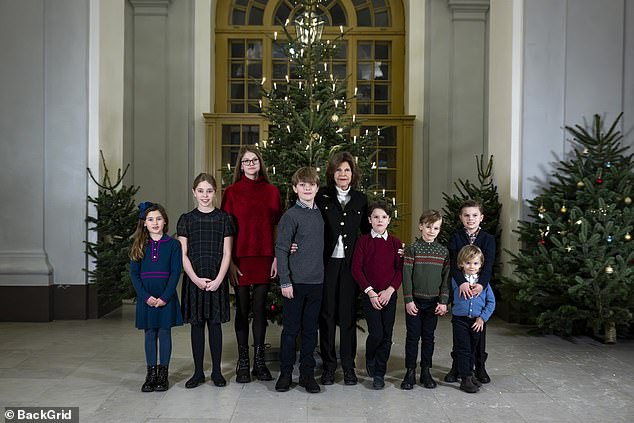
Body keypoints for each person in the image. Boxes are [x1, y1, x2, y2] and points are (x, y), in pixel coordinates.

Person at [221, 146, 282, 383]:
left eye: (254, 160)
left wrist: (276, 256)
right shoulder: (232, 192)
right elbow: (227, 230)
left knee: (259, 310)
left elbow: (277, 226)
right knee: (243, 310)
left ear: (260, 163)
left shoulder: (272, 191)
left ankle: (259, 361)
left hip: (264, 256)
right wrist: (231, 264)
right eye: (246, 161)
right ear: (240, 165)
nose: (250, 164)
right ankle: (243, 361)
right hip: (240, 258)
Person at [315, 151, 371, 386]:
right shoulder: (321, 196)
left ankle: (348, 367)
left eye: (347, 170)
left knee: (347, 317)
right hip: (327, 263)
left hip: (349, 266)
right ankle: (329, 367)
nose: (343, 174)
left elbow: (369, 235)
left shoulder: (360, 199)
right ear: (332, 173)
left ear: (353, 173)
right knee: (327, 316)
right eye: (339, 170)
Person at [177, 173, 235, 389]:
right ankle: (198, 372)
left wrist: (220, 279)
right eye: (200, 191)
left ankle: (218, 372)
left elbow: (227, 253)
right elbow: (183, 254)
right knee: (197, 325)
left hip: (216, 278)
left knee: (215, 325)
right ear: (194, 192)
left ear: (215, 193)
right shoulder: (186, 219)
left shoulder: (224, 219)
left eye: (209, 191)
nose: (205, 195)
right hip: (195, 279)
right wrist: (194, 279)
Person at [274, 167, 324, 394]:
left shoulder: (320, 213)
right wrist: (285, 281)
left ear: (317, 188)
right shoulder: (291, 216)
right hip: (294, 283)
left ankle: (306, 374)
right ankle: (285, 373)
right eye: (302, 185)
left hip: (317, 282)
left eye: (311, 185)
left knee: (310, 331)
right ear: (295, 189)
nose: (307, 189)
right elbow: (282, 248)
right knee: (291, 331)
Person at [129, 202, 183, 392]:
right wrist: (145, 297)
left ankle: (163, 374)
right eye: (150, 219)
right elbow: (134, 274)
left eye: (159, 219)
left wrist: (166, 296)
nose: (155, 223)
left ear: (165, 221)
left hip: (165, 296)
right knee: (150, 333)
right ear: (144, 223)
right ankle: (151, 374)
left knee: (164, 333)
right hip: (147, 298)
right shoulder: (139, 245)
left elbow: (176, 272)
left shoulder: (173, 245)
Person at [351, 201, 403, 390]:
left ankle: (379, 372)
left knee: (387, 335)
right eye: (376, 217)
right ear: (369, 220)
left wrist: (390, 290)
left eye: (383, 217)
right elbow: (356, 269)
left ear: (389, 220)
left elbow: (399, 270)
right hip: (370, 295)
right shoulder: (363, 241)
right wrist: (371, 293)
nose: (379, 220)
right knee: (376, 333)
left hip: (389, 295)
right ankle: (370, 357)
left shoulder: (396, 243)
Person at [444, 199, 496, 384]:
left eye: (474, 215)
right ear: (461, 217)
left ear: (481, 217)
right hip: (463, 285)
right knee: (460, 336)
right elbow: (452, 262)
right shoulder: (456, 237)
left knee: (478, 333)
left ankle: (479, 367)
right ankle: (457, 366)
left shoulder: (488, 239)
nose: (470, 219)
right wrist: (461, 283)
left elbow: (488, 265)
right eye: (466, 215)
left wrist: (481, 284)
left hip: (479, 288)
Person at [400, 209, 450, 390]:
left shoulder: (443, 252)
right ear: (421, 226)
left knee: (429, 337)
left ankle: (426, 371)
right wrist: (408, 300)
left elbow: (446, 278)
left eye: (436, 228)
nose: (431, 231)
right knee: (412, 337)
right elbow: (406, 276)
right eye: (428, 227)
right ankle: (410, 371)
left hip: (433, 303)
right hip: (415, 302)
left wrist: (443, 301)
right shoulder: (412, 250)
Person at [450, 245, 495, 393]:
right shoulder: (456, 281)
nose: (471, 266)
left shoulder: (484, 284)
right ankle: (465, 378)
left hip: (477, 322)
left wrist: (482, 318)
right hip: (460, 321)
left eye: (475, 263)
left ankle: (470, 373)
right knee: (463, 349)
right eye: (468, 263)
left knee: (472, 350)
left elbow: (491, 302)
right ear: (461, 264)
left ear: (481, 265)